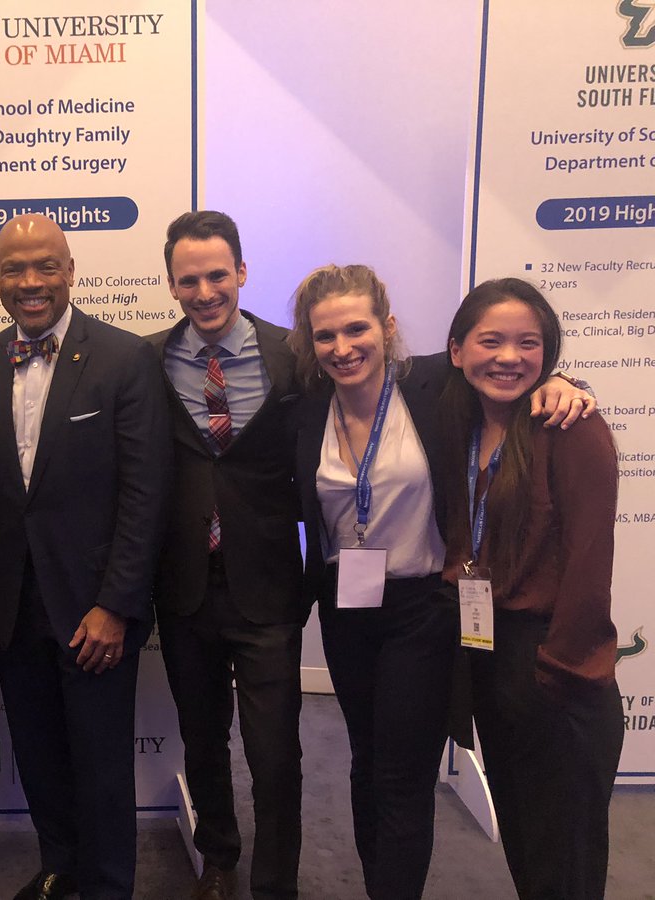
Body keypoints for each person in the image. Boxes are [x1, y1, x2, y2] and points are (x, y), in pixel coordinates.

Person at [287, 264, 596, 900]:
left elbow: (507, 373)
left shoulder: (431, 386)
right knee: (366, 762)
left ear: (387, 327)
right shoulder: (303, 410)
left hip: (422, 611)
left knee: (402, 773)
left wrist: (568, 381)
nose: (343, 348)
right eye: (325, 336)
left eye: (356, 328)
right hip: (347, 607)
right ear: (310, 344)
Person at [0, 214, 171, 900]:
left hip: (94, 606)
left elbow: (145, 493)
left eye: (45, 265)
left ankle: (107, 887)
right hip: (12, 606)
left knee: (102, 765)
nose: (30, 282)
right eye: (13, 268)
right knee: (41, 758)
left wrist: (116, 605)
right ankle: (61, 870)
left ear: (71, 270)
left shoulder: (124, 358)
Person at [440, 278, 623, 900]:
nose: (509, 358)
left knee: (565, 859)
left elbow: (589, 563)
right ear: (457, 349)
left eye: (529, 344)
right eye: (491, 341)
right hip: (490, 656)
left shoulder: (570, 428)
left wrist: (560, 670)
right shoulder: (459, 422)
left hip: (555, 668)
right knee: (525, 842)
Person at [146, 211, 305, 900]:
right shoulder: (146, 360)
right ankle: (219, 859)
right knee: (202, 739)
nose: (205, 291)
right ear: (172, 285)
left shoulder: (294, 354)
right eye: (190, 279)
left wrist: (563, 379)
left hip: (267, 585)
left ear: (241, 271)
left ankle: (276, 882)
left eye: (217, 275)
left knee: (276, 754)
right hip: (183, 587)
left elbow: (396, 384)